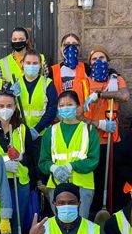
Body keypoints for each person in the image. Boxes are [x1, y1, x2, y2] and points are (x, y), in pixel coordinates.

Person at [81, 46, 130, 214]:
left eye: (102, 58)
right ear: (89, 63)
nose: (98, 61)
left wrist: (100, 95)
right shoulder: (84, 83)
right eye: (94, 59)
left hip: (112, 140)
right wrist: (97, 123)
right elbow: (77, 113)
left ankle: (113, 215)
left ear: (107, 61)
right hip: (90, 140)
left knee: (113, 182)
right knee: (94, 181)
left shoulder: (115, 81)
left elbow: (124, 96)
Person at [0, 89, 33, 234]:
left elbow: (31, 159)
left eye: (9, 105)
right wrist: (2, 164)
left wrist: (20, 157)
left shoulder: (22, 130)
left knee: (16, 226)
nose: (5, 109)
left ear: (14, 108)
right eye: (1, 105)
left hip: (18, 184)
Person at [39, 90, 100, 218]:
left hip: (83, 186)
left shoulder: (88, 130)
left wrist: (71, 166)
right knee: (59, 223)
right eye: (61, 105)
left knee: (81, 224)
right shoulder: (51, 131)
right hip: (56, 185)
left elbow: (93, 160)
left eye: (69, 104)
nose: (65, 108)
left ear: (78, 107)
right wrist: (53, 168)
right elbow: (43, 161)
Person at [12, 50, 57, 141]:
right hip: (19, 134)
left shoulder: (47, 83)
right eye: (28, 63)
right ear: (22, 63)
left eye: (35, 63)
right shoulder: (14, 83)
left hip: (42, 134)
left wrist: (37, 129)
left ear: (40, 65)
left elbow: (52, 109)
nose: (31, 66)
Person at [49, 34, 89, 105]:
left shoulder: (86, 68)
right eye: (66, 45)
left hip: (80, 112)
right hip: (60, 111)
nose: (71, 47)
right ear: (61, 48)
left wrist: (112, 73)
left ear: (79, 48)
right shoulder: (53, 70)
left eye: (74, 44)